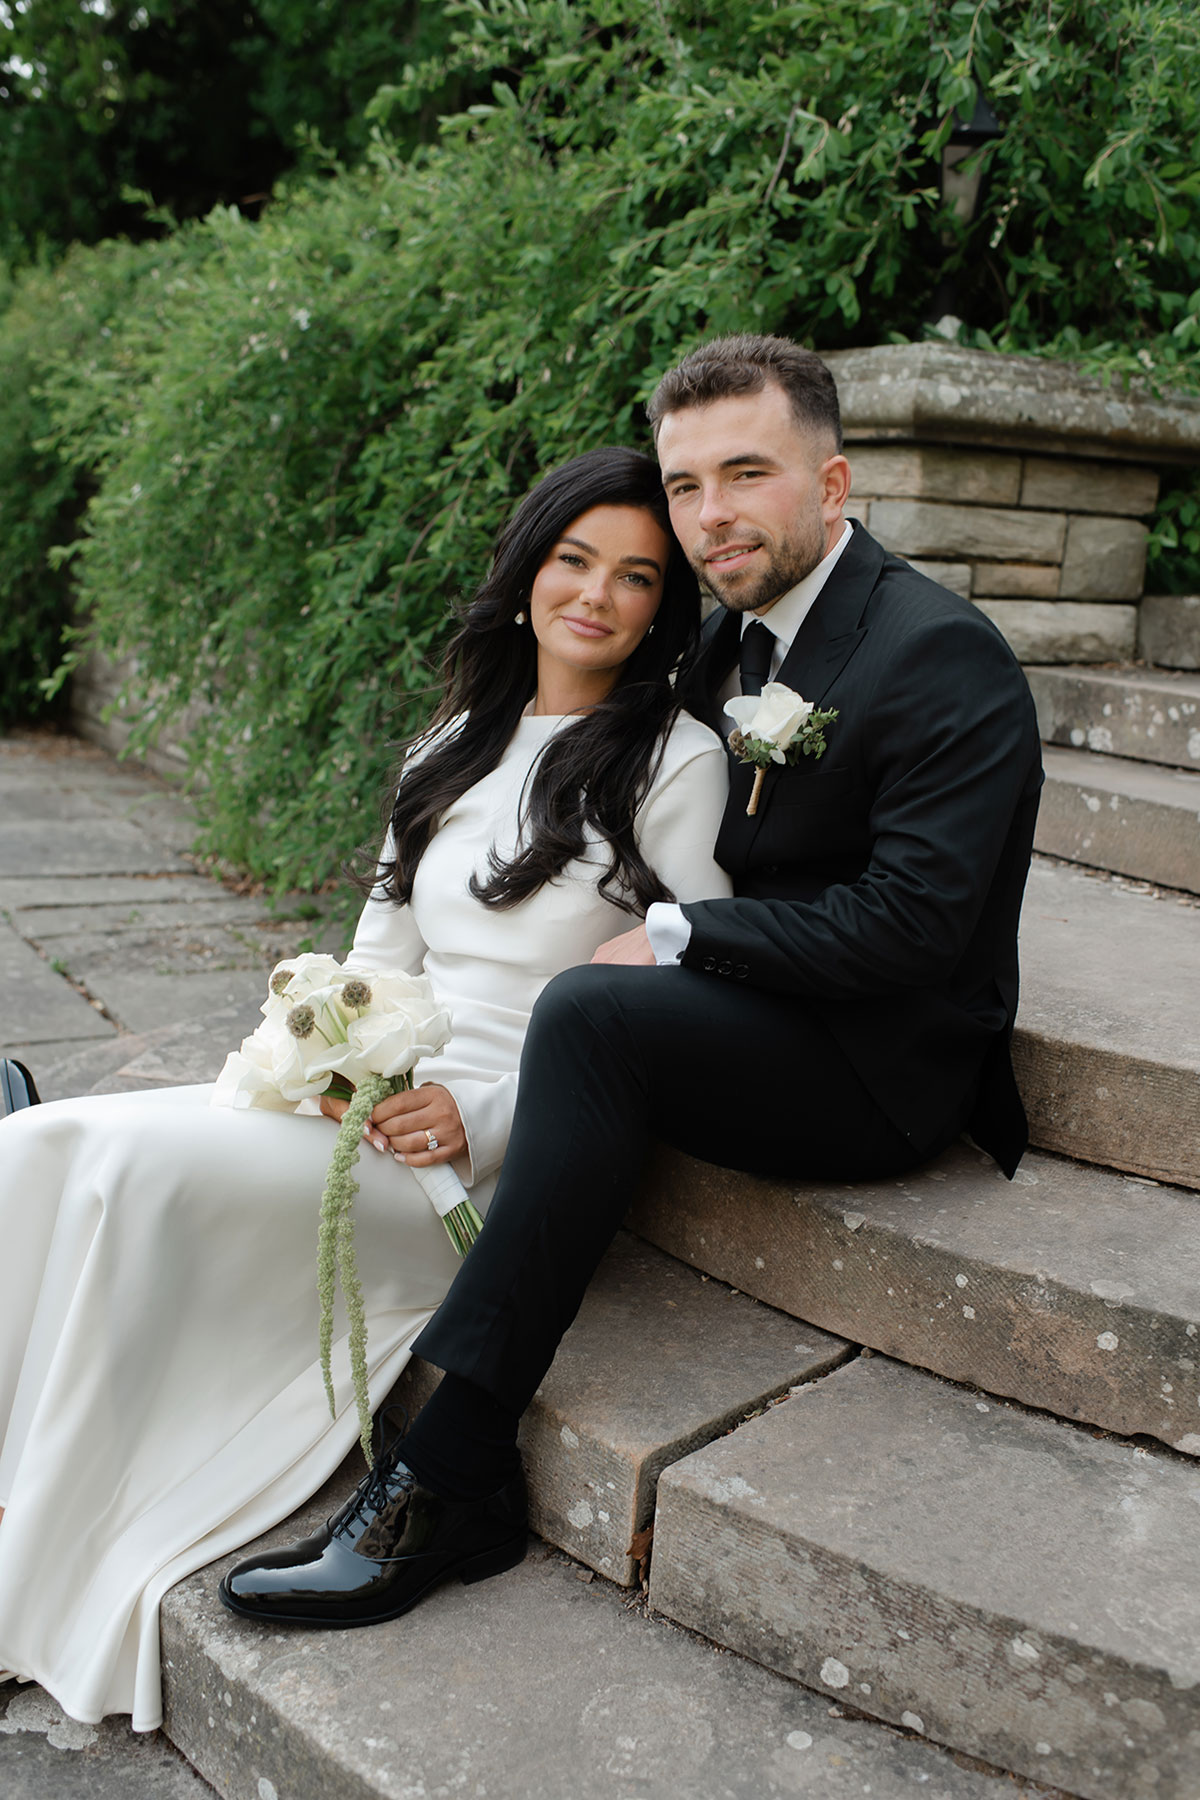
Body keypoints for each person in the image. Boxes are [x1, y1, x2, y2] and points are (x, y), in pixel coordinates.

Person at [222, 333, 1044, 1630]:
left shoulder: (941, 654)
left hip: (880, 1064)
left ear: (832, 486)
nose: (712, 512)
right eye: (689, 482)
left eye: (747, 474)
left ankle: (452, 1473)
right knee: (593, 1007)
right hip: (758, 1013)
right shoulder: (728, 648)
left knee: (598, 1005)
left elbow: (915, 933)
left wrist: (678, 939)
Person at [0, 446, 732, 1728]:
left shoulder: (671, 758)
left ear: (663, 610)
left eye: (637, 578)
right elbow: (372, 965)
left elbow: (688, 986)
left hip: (501, 1149)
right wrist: (327, 1062)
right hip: (379, 1106)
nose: (598, 597)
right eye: (574, 562)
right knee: (48, 1142)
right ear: (526, 573)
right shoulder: (452, 741)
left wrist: (481, 1112)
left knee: (119, 1165)